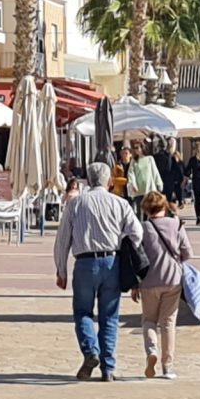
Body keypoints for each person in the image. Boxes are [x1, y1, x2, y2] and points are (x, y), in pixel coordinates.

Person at [52, 159, 142, 381]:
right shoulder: (120, 203)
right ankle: (108, 368)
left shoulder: (76, 204)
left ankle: (91, 351)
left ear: (87, 181)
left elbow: (63, 240)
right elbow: (137, 233)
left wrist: (61, 269)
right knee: (109, 316)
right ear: (109, 181)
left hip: (84, 264)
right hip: (112, 261)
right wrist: (122, 242)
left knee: (83, 312)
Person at [132, 190, 194, 380]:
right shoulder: (176, 225)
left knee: (149, 320)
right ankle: (168, 367)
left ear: (146, 209)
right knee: (168, 323)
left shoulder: (142, 228)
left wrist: (135, 285)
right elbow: (187, 253)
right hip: (173, 280)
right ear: (164, 206)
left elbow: (136, 258)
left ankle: (151, 352)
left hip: (149, 281)